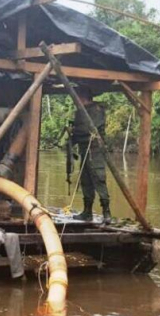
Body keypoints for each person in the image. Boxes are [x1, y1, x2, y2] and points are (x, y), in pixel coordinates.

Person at [71, 87, 112, 224]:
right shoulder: (79, 112)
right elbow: (77, 131)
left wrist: (76, 133)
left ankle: (107, 212)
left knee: (99, 179)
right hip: (84, 150)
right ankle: (87, 212)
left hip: (95, 150)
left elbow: (89, 129)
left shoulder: (97, 110)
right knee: (85, 180)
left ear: (84, 97)